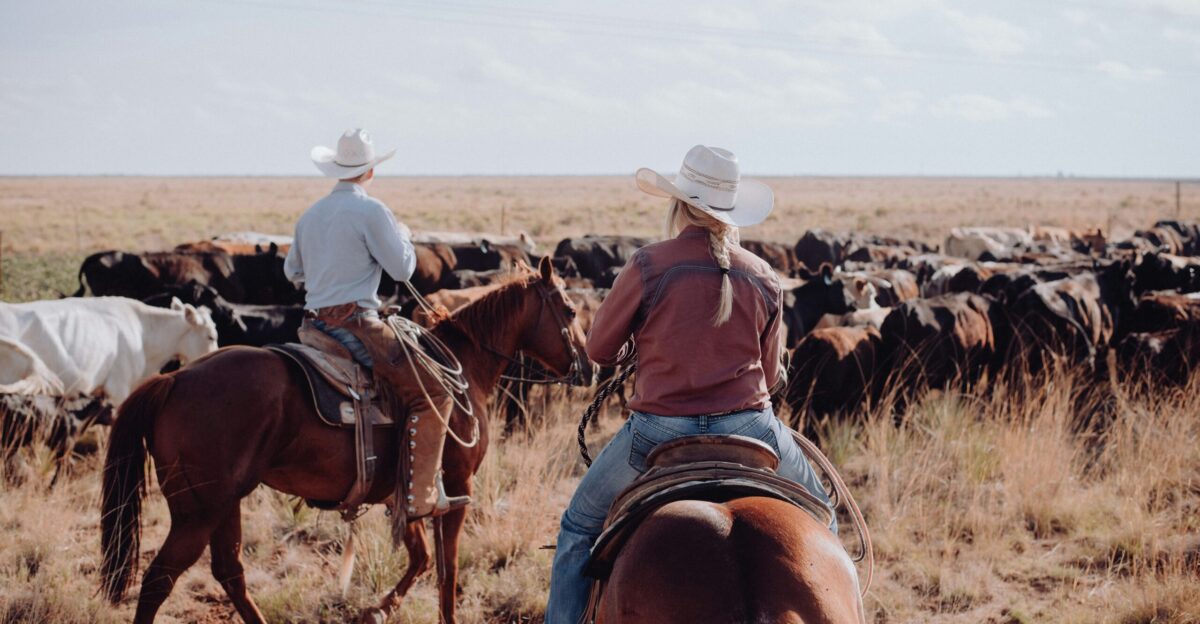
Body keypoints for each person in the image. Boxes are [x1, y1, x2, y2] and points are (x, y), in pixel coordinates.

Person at [545, 145, 836, 622]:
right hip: (752, 428)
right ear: (731, 210)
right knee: (825, 517)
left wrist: (637, 349)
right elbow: (768, 373)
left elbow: (598, 350)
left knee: (577, 529)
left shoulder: (648, 264)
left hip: (657, 432)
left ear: (680, 204)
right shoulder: (763, 275)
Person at [283, 128, 469, 520]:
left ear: (335, 168)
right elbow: (403, 269)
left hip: (313, 326)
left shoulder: (311, 214)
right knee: (434, 392)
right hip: (358, 325)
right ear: (370, 172)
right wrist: (401, 236)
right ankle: (419, 497)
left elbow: (292, 272)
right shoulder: (372, 211)